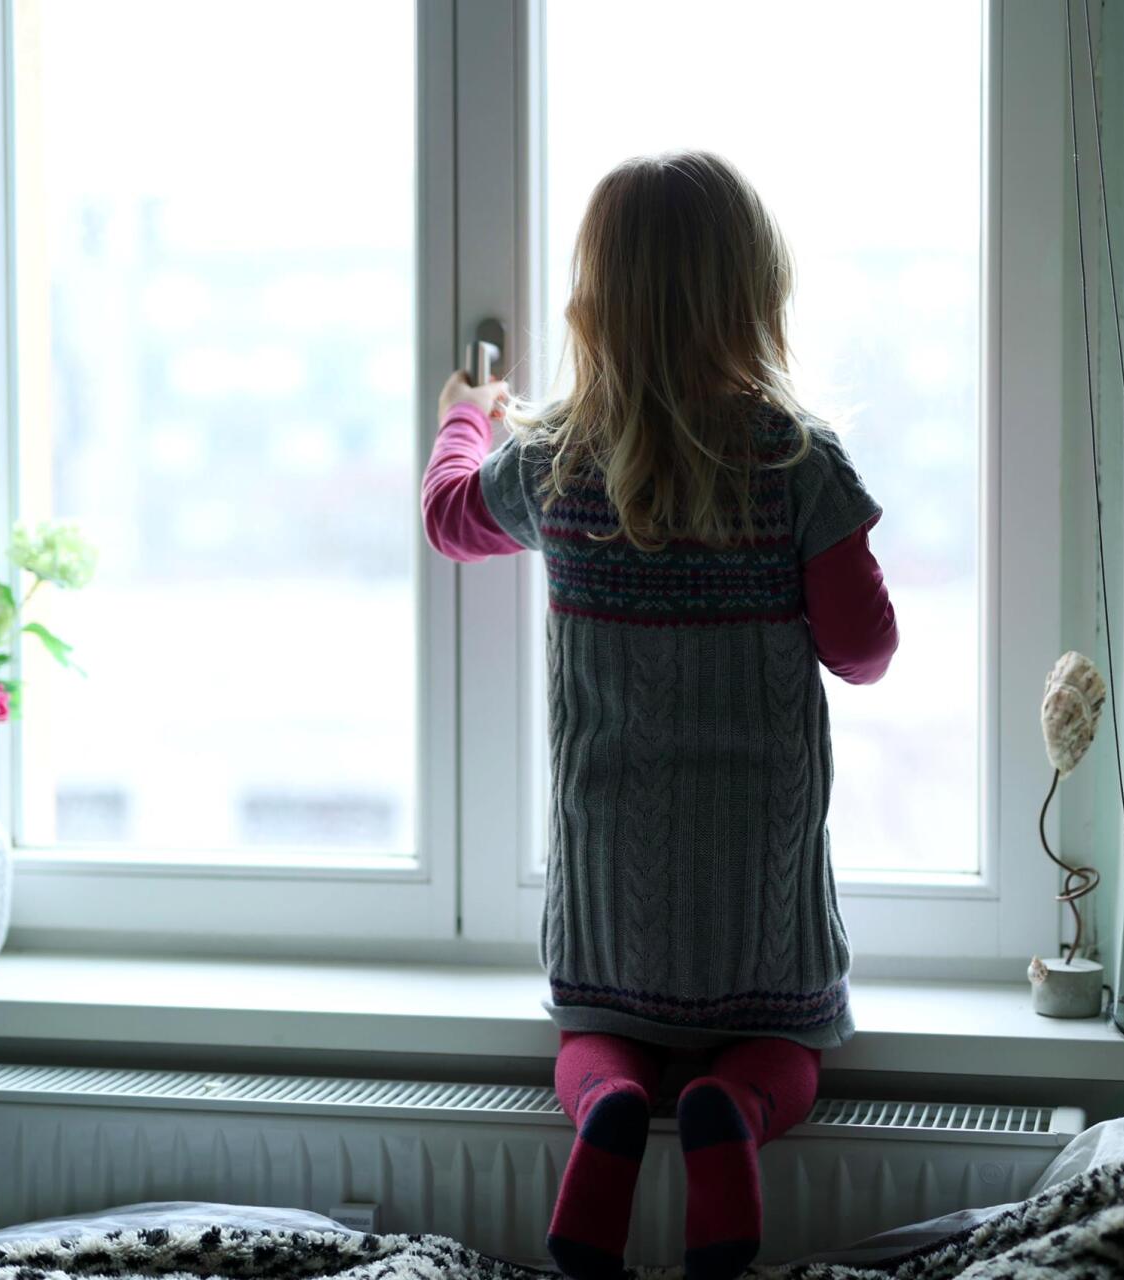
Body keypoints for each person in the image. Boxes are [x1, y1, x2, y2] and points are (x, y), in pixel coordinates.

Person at [421, 150, 897, 1280]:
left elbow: (448, 517)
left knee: (592, 1045)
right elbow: (866, 652)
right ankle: (731, 1107)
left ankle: (612, 1110)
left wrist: (464, 418)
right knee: (787, 1051)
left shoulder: (556, 460)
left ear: (595, 306)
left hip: (609, 899)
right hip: (757, 897)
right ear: (754, 299)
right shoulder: (797, 460)